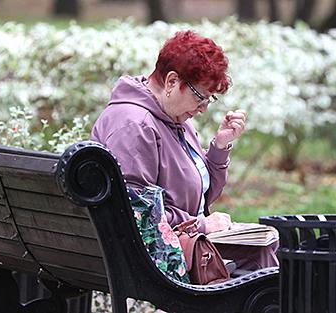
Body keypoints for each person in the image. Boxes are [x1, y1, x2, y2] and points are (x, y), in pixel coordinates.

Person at [91, 30, 278, 272]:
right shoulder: (135, 125)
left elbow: (201, 196)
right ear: (171, 82)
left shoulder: (177, 118)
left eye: (209, 100)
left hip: (186, 243)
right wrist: (202, 225)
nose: (203, 109)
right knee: (262, 261)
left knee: (270, 246)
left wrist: (220, 147)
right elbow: (135, 215)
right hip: (156, 260)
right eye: (200, 97)